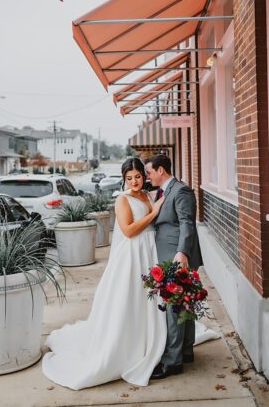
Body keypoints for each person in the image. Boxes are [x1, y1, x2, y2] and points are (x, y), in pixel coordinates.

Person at [42, 158, 218, 390]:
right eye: (130, 177)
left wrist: (181, 251)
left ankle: (180, 351)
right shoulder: (124, 199)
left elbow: (185, 223)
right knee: (140, 301)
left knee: (173, 302)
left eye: (140, 175)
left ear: (152, 174)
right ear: (124, 179)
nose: (136, 180)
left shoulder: (152, 194)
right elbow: (127, 230)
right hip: (134, 254)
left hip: (154, 253)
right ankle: (150, 348)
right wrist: (153, 212)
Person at [145, 154, 204, 380]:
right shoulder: (162, 192)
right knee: (184, 305)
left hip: (177, 257)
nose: (148, 176)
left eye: (150, 172)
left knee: (174, 308)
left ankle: (172, 362)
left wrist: (182, 253)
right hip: (169, 254)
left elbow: (187, 223)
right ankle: (186, 350)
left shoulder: (181, 191)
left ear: (161, 170)